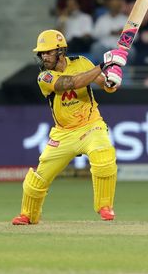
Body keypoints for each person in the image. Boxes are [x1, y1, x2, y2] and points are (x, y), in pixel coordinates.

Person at [12, 29, 127, 225]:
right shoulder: (44, 77)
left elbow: (106, 86)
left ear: (60, 51)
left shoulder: (81, 61)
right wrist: (103, 64)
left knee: (104, 156)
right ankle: (28, 215)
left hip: (91, 125)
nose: (44, 57)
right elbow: (72, 83)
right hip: (63, 133)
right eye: (42, 53)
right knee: (39, 178)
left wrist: (112, 77)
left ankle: (105, 206)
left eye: (48, 52)